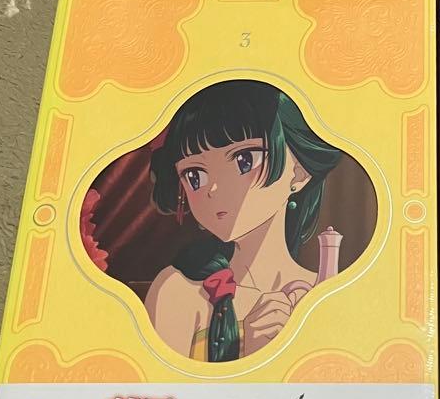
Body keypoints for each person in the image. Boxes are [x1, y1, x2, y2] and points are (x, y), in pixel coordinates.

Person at [144, 80, 343, 362]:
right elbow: (166, 388)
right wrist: (249, 356)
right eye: (195, 175)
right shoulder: (178, 291)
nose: (213, 189)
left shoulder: (326, 294)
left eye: (243, 160)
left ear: (298, 173)